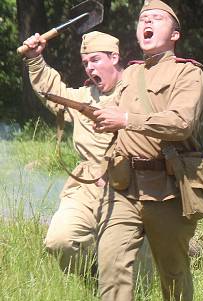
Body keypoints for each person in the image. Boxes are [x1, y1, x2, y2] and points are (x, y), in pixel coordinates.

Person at [93, 0, 203, 301]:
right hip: (124, 188)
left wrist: (127, 121)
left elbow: (181, 123)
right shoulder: (130, 73)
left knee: (173, 274)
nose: (146, 21)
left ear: (174, 34)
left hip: (168, 189)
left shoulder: (188, 73)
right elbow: (113, 116)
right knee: (111, 265)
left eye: (156, 18)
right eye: (142, 18)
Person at [21, 31, 153, 282]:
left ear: (114, 57)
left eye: (95, 60)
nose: (89, 68)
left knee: (139, 275)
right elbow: (53, 91)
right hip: (89, 183)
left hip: (136, 183)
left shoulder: (142, 90)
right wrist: (35, 59)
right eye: (85, 63)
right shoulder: (83, 97)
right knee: (61, 241)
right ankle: (94, 279)